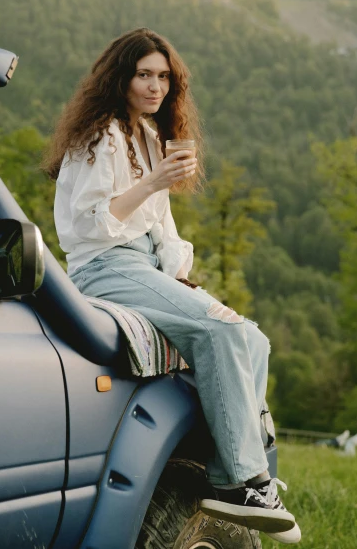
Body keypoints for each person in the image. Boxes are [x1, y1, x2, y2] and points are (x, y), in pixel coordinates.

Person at [44, 28, 301, 544]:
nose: (155, 86)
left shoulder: (146, 134)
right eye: (143, 75)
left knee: (249, 336)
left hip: (146, 266)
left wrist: (181, 276)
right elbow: (91, 223)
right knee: (220, 334)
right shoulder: (104, 136)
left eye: (163, 76)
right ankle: (241, 483)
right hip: (104, 266)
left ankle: (226, 464)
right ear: (121, 78)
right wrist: (154, 181)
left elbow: (160, 230)